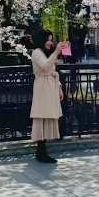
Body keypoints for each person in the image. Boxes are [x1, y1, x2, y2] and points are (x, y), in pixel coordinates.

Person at [29, 32, 64, 163]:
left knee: (47, 116)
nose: (50, 42)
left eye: (51, 40)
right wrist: (56, 52)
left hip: (49, 86)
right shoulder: (37, 52)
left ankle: (42, 151)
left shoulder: (44, 53)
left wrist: (59, 88)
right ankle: (41, 151)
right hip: (43, 87)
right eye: (48, 40)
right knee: (42, 116)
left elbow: (52, 72)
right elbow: (45, 66)